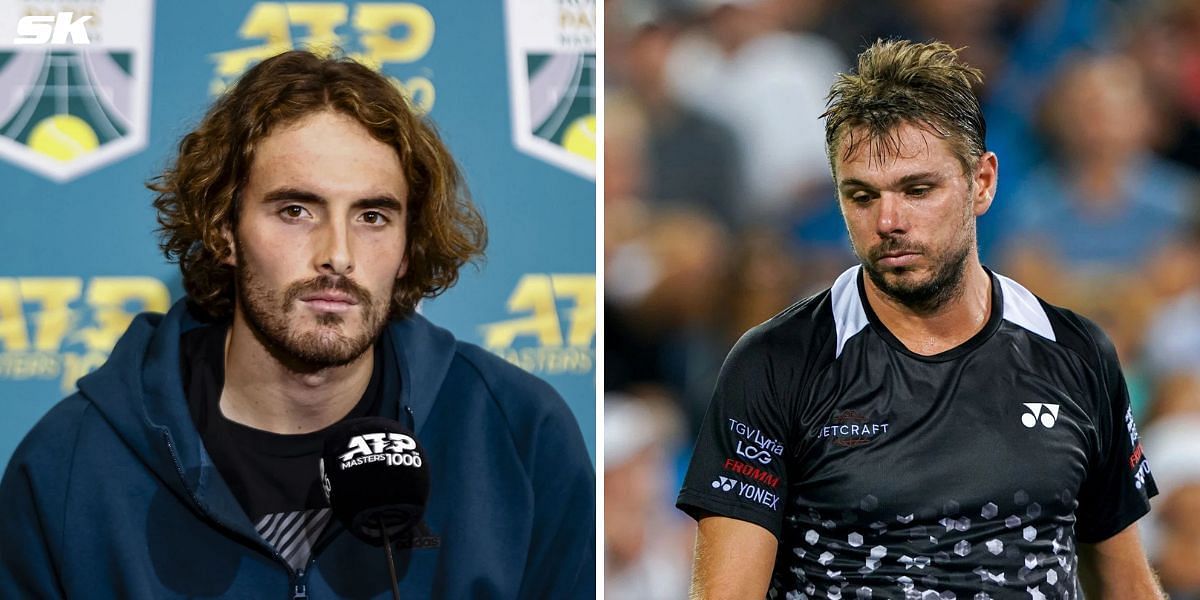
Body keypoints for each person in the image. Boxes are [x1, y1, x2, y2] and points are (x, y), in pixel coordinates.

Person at [0, 50, 594, 599]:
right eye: (295, 210)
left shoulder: (518, 436)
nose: (337, 253)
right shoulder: (71, 465)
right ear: (223, 229)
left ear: (408, 246)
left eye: (372, 216)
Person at [676, 39, 1162, 599]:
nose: (888, 220)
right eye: (861, 195)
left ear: (981, 183)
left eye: (917, 189)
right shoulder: (775, 363)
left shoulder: (1077, 353)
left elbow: (1127, 586)